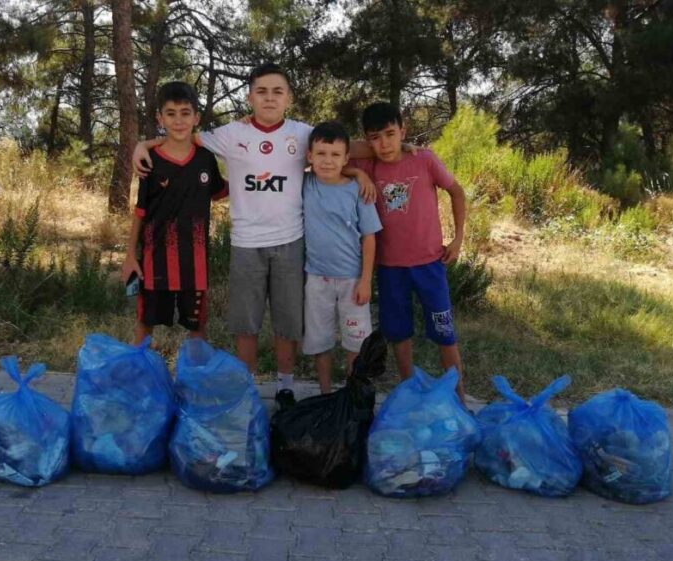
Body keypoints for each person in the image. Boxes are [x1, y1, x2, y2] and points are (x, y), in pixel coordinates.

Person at [133, 63, 375, 408]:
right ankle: (246, 387)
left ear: (289, 97)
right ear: (250, 97)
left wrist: (380, 159)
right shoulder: (232, 133)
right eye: (261, 91)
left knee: (287, 321)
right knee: (245, 323)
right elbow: (181, 135)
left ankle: (285, 386)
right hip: (246, 244)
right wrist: (142, 144)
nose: (269, 98)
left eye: (278, 91)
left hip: (291, 242)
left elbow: (346, 148)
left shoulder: (301, 134)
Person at [355, 102, 469, 399]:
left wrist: (458, 239)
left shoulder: (424, 159)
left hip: (430, 265)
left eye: (391, 134)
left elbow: (457, 192)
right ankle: (409, 394)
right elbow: (331, 150)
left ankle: (459, 398)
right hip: (390, 268)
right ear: (367, 140)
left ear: (403, 131)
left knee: (445, 333)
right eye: (375, 137)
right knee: (399, 333)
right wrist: (359, 173)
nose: (384, 144)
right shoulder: (368, 165)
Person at [122, 81, 227, 345]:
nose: (178, 121)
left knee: (197, 327)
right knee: (145, 325)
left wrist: (252, 174)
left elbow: (221, 191)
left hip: (195, 262)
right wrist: (130, 255)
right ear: (160, 118)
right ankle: (140, 369)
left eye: (185, 113)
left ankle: (196, 370)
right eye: (171, 113)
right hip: (154, 260)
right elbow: (140, 211)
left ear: (196, 117)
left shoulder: (205, 158)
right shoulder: (150, 160)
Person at [301, 121, 382, 394]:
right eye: (321, 154)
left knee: (356, 342)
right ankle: (325, 394)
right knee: (320, 341)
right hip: (316, 278)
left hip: (352, 280)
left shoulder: (358, 190)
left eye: (335, 155)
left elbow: (369, 237)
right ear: (309, 156)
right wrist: (358, 171)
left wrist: (365, 280)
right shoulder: (305, 184)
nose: (328, 161)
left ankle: (352, 395)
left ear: (346, 158)